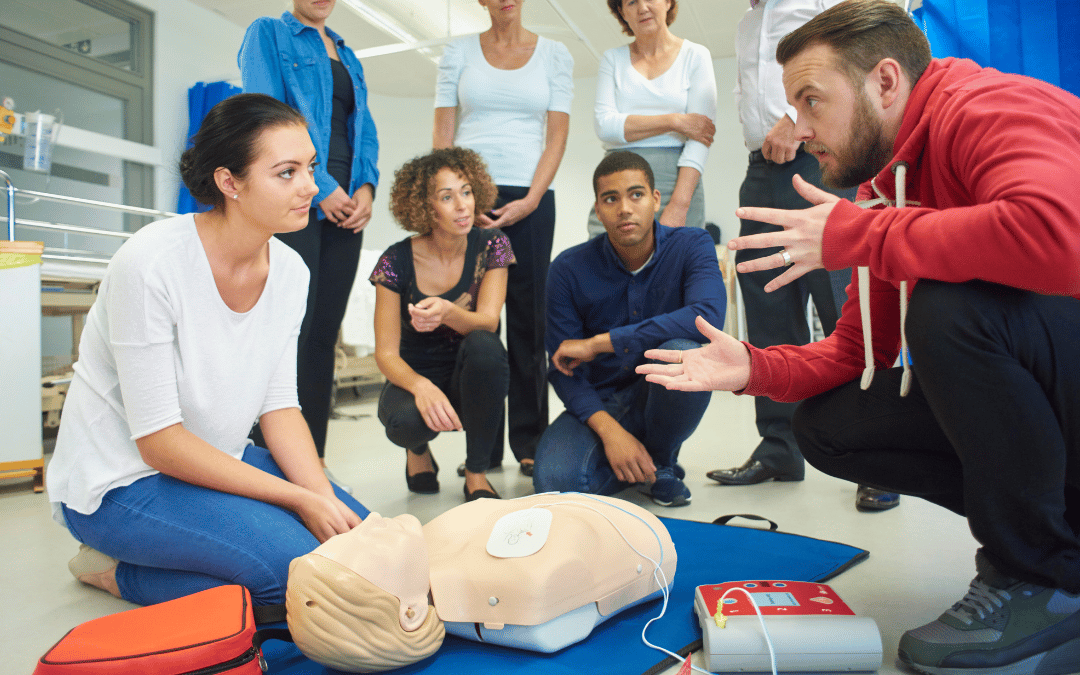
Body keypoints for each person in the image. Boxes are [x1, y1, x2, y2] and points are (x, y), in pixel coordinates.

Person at [638, 1, 1080, 672]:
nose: (799, 127)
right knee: (831, 425)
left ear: (884, 81)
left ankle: (1044, 577)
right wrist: (750, 367)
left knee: (949, 307)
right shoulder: (887, 184)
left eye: (812, 101)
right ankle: (1059, 532)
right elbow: (854, 354)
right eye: (792, 107)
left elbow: (1057, 234)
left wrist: (864, 234)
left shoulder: (986, 106)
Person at [46, 94, 368, 609]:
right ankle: (113, 572)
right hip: (121, 483)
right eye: (286, 172)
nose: (311, 186)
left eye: (310, 167)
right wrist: (297, 497)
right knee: (297, 585)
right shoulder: (151, 262)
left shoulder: (291, 272)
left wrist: (322, 499)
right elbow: (159, 444)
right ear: (229, 182)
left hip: (220, 460)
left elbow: (280, 406)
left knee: (362, 556)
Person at [714, 0, 900, 513]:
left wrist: (795, 120)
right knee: (767, 302)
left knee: (846, 303)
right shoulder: (747, 21)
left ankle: (874, 460)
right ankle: (779, 447)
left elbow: (853, 72)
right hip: (761, 167)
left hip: (818, 159)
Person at [239, 0, 380, 491]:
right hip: (297, 202)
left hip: (346, 210)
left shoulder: (346, 52)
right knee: (286, 335)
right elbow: (263, 120)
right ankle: (265, 465)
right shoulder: (269, 35)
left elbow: (365, 130)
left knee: (322, 336)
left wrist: (365, 188)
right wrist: (321, 187)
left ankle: (310, 461)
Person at [533, 151, 725, 506]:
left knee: (685, 354)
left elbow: (708, 317)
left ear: (655, 199)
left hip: (662, 390)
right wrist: (609, 432)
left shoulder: (692, 245)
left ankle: (662, 457)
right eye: (611, 198)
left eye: (636, 194)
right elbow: (562, 368)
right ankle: (643, 464)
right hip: (602, 401)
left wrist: (602, 343)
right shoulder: (567, 269)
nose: (624, 208)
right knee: (555, 485)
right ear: (598, 209)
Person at [433, 0, 573, 479]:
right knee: (476, 323)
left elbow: (556, 136)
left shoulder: (555, 54)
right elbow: (444, 131)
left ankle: (531, 441)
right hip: (469, 197)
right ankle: (483, 447)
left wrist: (531, 199)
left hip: (530, 198)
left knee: (529, 324)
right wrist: (450, 197)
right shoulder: (457, 52)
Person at [370, 147, 513, 502]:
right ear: (424, 206)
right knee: (404, 423)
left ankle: (476, 472)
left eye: (466, 192)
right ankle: (417, 452)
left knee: (486, 347)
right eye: (447, 197)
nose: (462, 205)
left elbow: (488, 323)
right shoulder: (395, 260)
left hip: (467, 374)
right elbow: (385, 354)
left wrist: (448, 312)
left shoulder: (492, 245)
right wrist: (421, 387)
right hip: (413, 375)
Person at [588, 0, 717, 238]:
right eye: (631, 2)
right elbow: (605, 126)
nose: (642, 7)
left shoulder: (696, 55)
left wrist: (679, 204)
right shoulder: (612, 59)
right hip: (618, 178)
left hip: (679, 180)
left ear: (668, 2)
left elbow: (701, 135)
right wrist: (675, 121)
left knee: (677, 266)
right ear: (621, 12)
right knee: (607, 266)